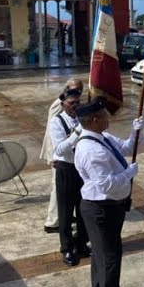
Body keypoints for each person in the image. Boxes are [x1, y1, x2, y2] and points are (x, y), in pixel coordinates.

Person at [74, 97, 144, 287]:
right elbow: (107, 184)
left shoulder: (102, 138)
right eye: (104, 115)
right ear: (94, 120)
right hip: (100, 209)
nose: (108, 118)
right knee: (110, 258)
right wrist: (129, 173)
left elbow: (125, 147)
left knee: (101, 255)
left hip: (109, 208)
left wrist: (135, 133)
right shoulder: (90, 149)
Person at [47, 88, 90, 267]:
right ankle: (66, 249)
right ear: (63, 104)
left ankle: (81, 243)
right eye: (71, 103)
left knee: (83, 209)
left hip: (82, 169)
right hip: (66, 169)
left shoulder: (82, 118)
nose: (75, 106)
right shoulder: (56, 122)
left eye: (77, 102)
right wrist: (77, 132)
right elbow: (60, 149)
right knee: (65, 211)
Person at [40, 78, 83, 234]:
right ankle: (52, 222)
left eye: (80, 90)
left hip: (69, 155)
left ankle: (64, 216)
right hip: (58, 155)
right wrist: (53, 158)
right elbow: (54, 134)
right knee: (58, 190)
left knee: (67, 193)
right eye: (74, 89)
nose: (78, 93)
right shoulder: (59, 105)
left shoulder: (74, 104)